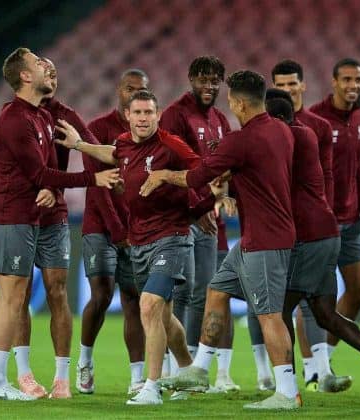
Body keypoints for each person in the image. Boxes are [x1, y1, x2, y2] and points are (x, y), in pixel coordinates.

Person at [0, 47, 121, 401]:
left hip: (27, 214)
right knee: (11, 299)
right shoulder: (16, 119)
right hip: (13, 214)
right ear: (24, 76)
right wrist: (90, 180)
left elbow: (54, 165)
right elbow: (36, 172)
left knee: (8, 298)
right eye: (38, 63)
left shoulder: (41, 115)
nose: (47, 67)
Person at [141, 70, 302, 410]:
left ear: (239, 102)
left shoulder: (241, 140)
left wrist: (162, 175)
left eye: (231, 100)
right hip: (259, 236)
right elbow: (259, 173)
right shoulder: (282, 132)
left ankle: (287, 392)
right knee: (216, 289)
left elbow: (197, 177)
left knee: (269, 315)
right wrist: (230, 181)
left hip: (265, 240)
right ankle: (200, 369)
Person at [56, 90, 224, 405]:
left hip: (172, 237)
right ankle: (191, 373)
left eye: (149, 112)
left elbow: (204, 171)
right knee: (162, 318)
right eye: (138, 113)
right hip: (140, 241)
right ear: (129, 116)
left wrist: (168, 177)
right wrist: (78, 145)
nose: (144, 118)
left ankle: (151, 386)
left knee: (147, 305)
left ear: (157, 115)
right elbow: (111, 153)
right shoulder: (124, 143)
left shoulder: (170, 144)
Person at [264, 95, 360, 405]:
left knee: (279, 310)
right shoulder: (308, 135)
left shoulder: (285, 143)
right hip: (328, 232)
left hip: (308, 237)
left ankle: (286, 388)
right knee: (326, 314)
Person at [159, 55, 240, 392]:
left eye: (215, 80)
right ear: (191, 78)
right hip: (180, 217)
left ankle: (191, 369)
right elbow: (167, 167)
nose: (209, 86)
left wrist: (224, 196)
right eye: (203, 79)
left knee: (203, 293)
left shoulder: (221, 119)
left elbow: (228, 166)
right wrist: (199, 206)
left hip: (209, 218)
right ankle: (172, 367)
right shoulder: (175, 115)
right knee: (177, 293)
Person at [76, 69, 149, 396]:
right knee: (102, 295)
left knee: (133, 299)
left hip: (134, 230)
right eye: (130, 89)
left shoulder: (148, 133)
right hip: (100, 226)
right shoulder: (97, 130)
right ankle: (85, 360)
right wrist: (120, 231)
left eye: (141, 90)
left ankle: (136, 378)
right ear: (119, 91)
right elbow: (101, 188)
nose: (134, 94)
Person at [270, 60, 341, 390]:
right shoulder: (267, 126)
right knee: (272, 302)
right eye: (280, 85)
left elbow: (325, 173)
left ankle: (318, 371)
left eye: (291, 84)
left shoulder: (317, 127)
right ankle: (272, 373)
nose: (287, 90)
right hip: (277, 227)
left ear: (303, 85)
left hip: (310, 228)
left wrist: (324, 206)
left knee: (307, 302)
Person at [310, 58, 360, 362]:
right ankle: (314, 365)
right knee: (309, 299)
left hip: (352, 222)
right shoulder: (315, 118)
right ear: (334, 82)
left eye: (358, 80)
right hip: (322, 223)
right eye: (347, 80)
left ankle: (326, 357)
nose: (354, 86)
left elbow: (356, 169)